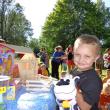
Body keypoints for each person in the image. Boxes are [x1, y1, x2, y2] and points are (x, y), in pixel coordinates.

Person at [70, 34, 103, 110]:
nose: (81, 60)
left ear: (96, 57)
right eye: (77, 54)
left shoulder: (93, 81)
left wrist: (72, 89)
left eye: (87, 56)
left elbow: (85, 107)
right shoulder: (75, 69)